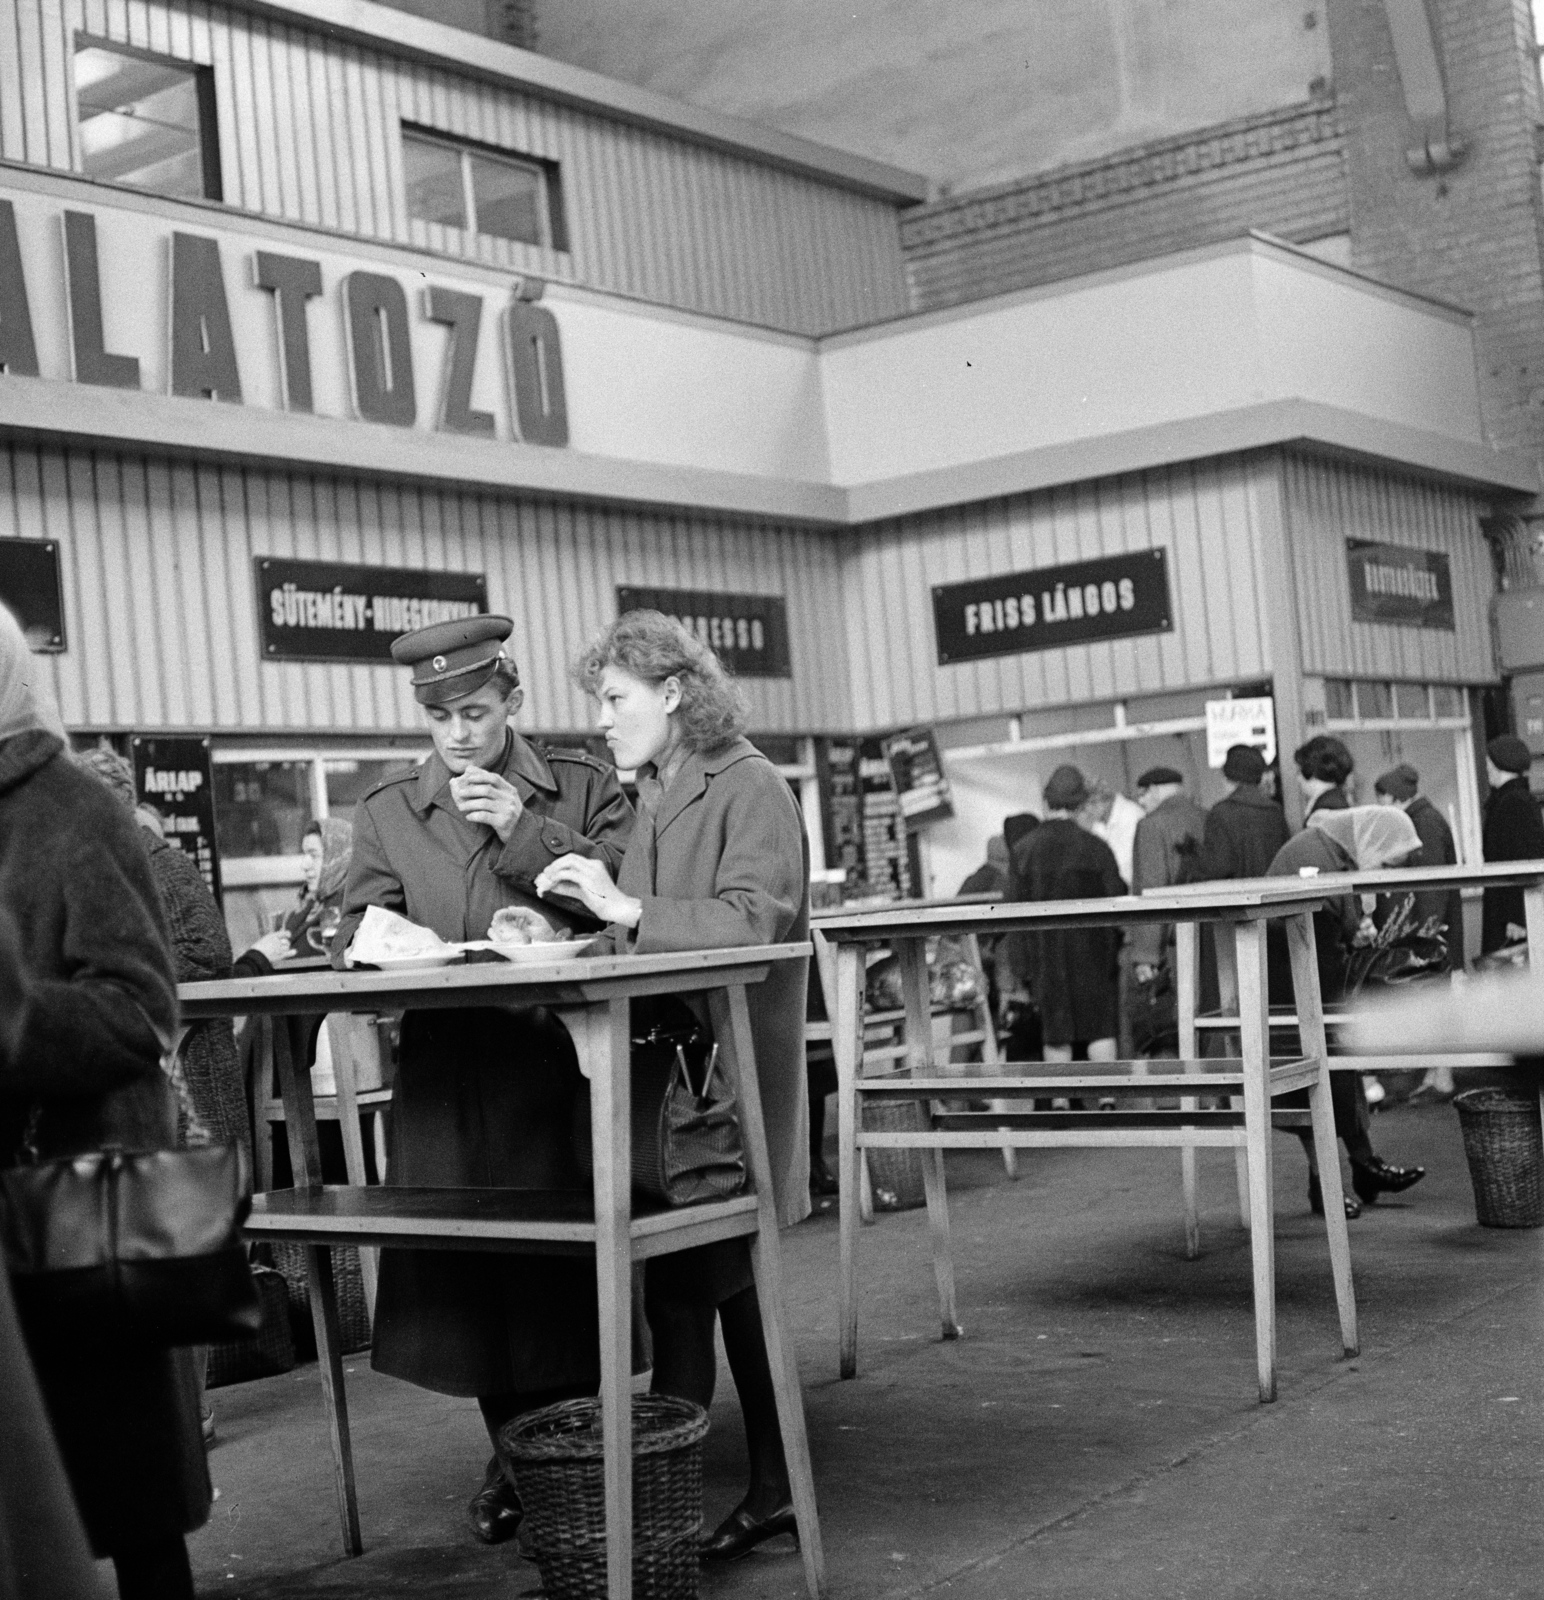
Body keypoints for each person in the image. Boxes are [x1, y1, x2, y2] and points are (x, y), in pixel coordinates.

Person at [332, 614, 634, 1546]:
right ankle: (517, 1456)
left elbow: (632, 889)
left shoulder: (583, 785)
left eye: (475, 712)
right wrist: (385, 948)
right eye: (440, 718)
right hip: (449, 1070)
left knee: (565, 1271)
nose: (458, 735)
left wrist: (528, 832)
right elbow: (356, 927)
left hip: (559, 1061)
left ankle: (569, 1452)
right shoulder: (387, 810)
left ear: (513, 701)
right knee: (475, 1280)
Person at [537, 609, 810, 1562]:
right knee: (697, 1291)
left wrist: (623, 907)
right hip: (685, 1087)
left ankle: (696, 1504)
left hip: (727, 1083)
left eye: (616, 699)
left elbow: (752, 921)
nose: (602, 719)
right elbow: (649, 927)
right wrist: (577, 935)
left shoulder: (751, 786)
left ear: (673, 692)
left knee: (718, 1286)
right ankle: (691, 1502)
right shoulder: (661, 790)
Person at [0, 602, 210, 1600]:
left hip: (80, 1199)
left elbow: (142, 1008)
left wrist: (14, 1022)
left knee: (130, 1502)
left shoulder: (74, 809)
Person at [1267, 806, 1428, 1215]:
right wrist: (1357, 930)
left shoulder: (1330, 849)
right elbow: (1319, 923)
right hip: (1293, 985)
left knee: (1336, 1073)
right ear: (1374, 842)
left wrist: (1356, 927)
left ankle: (1363, 1164)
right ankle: (1325, 1182)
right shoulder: (1315, 857)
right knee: (1311, 1082)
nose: (1386, 875)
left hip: (1309, 978)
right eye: (1387, 865)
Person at [1003, 765, 1126, 1065]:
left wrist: (1021, 968)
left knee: (1055, 1034)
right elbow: (1118, 899)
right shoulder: (1097, 848)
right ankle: (1108, 1092)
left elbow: (1011, 914)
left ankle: (1062, 1092)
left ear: (1046, 802)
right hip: (1094, 956)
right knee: (1100, 1029)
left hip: (1046, 959)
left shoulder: (1023, 851)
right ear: (1080, 804)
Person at [1372, 764, 1464, 1104]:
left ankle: (1443, 1077)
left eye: (1383, 800)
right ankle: (1435, 1074)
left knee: (1436, 1002)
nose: (1382, 808)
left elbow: (1430, 888)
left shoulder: (1422, 823)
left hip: (1432, 935)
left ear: (1395, 797)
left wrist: (1425, 935)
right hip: (1436, 930)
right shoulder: (1428, 819)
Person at [241, 816, 354, 971]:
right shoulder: (308, 906)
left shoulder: (348, 910)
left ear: (338, 858)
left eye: (314, 855)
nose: (304, 865)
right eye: (304, 854)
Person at [1480, 735, 1544, 954]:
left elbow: (1528, 858)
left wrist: (1518, 917)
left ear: (1500, 762)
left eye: (1489, 761)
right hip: (1507, 909)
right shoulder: (1513, 800)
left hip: (1510, 916)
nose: (1487, 767)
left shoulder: (1514, 802)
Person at [1082, 777, 1144, 888]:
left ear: (1102, 801)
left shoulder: (1132, 816)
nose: (1087, 811)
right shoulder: (1098, 822)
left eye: (1088, 805)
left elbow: (1127, 866)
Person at [1293, 734, 1355, 817]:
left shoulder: (1326, 807)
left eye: (1299, 770)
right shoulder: (1334, 798)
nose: (1298, 779)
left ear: (1309, 770)